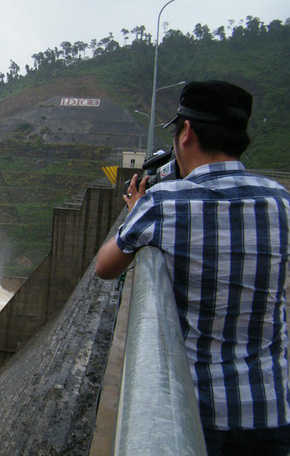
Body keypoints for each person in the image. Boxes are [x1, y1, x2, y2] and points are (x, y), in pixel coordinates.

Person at [96, 80, 290, 455]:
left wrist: (137, 214)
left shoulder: (164, 204)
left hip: (198, 415)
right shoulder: (281, 201)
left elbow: (106, 266)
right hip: (271, 408)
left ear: (186, 133)